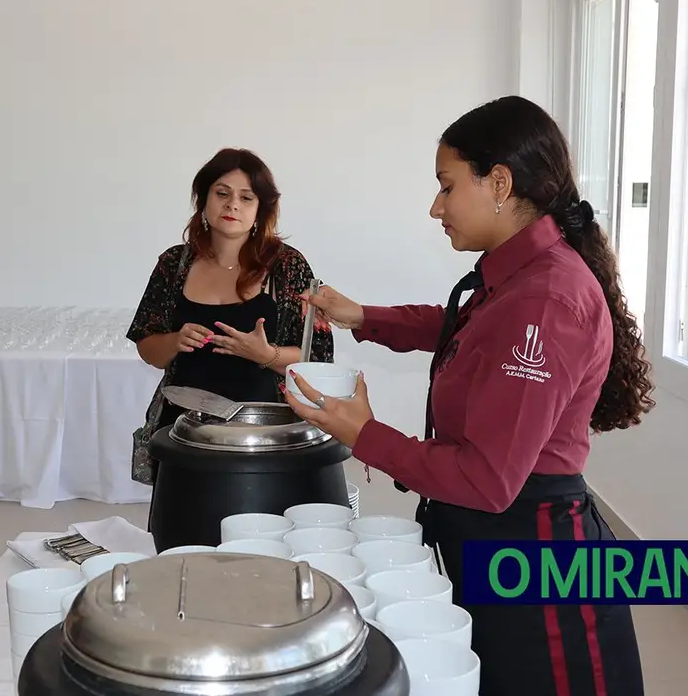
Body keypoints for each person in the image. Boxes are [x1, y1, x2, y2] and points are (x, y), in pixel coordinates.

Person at [287, 95, 654, 696]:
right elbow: (463, 328)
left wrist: (363, 434)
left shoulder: (546, 298)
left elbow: (487, 479)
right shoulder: (518, 278)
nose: (436, 207)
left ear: (500, 183)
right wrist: (361, 316)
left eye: (447, 186)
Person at [127, 147, 334, 494]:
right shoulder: (173, 264)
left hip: (264, 436)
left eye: (246, 197)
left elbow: (318, 359)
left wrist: (265, 355)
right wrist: (174, 340)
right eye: (221, 193)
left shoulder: (288, 266)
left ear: (260, 210)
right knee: (183, 539)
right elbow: (149, 349)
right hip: (184, 432)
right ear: (203, 199)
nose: (232, 205)